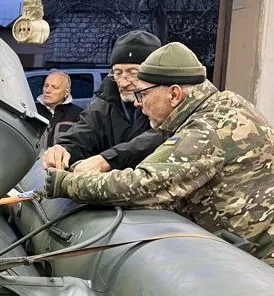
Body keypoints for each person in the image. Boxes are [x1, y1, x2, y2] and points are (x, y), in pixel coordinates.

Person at [43, 42, 274, 265]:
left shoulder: (207, 129)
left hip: (259, 266)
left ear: (174, 94)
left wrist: (65, 183)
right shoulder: (226, 104)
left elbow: (141, 185)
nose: (137, 104)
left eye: (142, 95)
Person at [41, 30, 164, 173]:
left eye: (133, 73)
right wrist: (63, 149)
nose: (123, 83)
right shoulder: (103, 105)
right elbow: (82, 135)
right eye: (117, 73)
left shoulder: (167, 103)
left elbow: (160, 138)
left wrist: (107, 159)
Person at [35, 71, 83, 147]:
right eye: (46, 86)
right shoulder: (33, 110)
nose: (48, 91)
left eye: (54, 87)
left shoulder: (79, 115)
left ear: (67, 91)